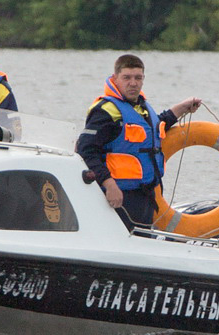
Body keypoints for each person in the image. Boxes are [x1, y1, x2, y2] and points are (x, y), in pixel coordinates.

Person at [76, 54, 201, 230]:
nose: (133, 83)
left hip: (145, 195)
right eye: (127, 77)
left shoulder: (142, 107)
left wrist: (182, 108)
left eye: (138, 78)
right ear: (115, 79)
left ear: (143, 79)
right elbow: (85, 150)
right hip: (118, 196)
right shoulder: (106, 111)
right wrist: (109, 184)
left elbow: (156, 129)